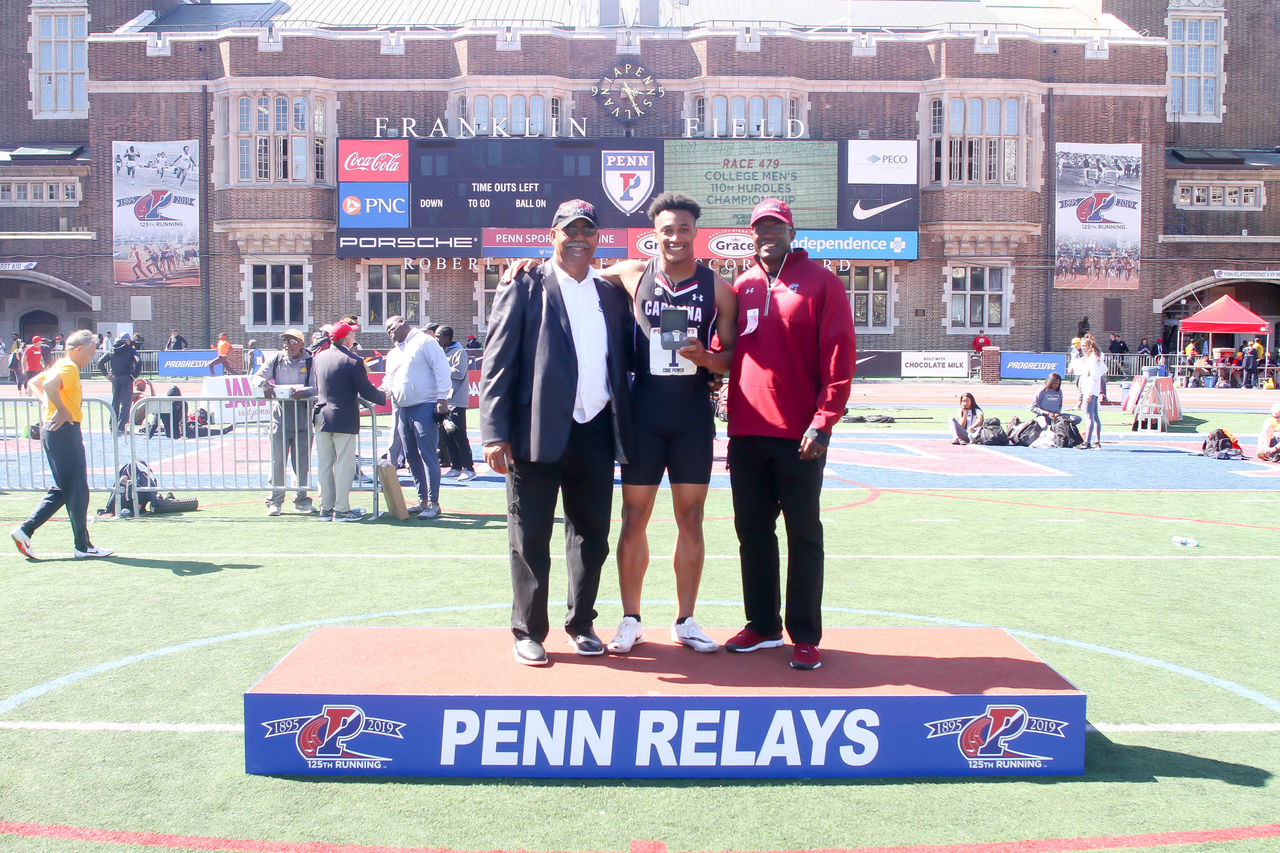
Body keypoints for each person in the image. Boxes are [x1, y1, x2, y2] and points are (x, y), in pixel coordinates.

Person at [506, 192, 738, 655]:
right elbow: (571, 267)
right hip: (642, 414)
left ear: (696, 233)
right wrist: (527, 263)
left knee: (690, 517)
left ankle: (685, 619)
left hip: (691, 414)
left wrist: (706, 357)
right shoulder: (630, 273)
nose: (675, 237)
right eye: (666, 230)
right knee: (634, 517)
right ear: (655, 235)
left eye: (683, 229)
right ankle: (630, 618)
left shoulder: (720, 289)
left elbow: (732, 359)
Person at [480, 199, 637, 667]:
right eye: (569, 230)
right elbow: (497, 362)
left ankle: (581, 622)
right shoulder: (525, 283)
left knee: (592, 536)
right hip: (534, 432)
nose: (578, 238)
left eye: (587, 231)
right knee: (529, 537)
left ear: (597, 238)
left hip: (595, 431)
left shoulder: (610, 292)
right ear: (552, 235)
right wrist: (493, 433)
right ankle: (529, 630)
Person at [719, 198, 856, 671]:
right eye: (760, 227)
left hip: (801, 434)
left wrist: (824, 420)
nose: (767, 234)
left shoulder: (822, 283)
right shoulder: (742, 285)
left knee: (803, 535)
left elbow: (839, 357)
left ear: (791, 232)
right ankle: (761, 624)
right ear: (750, 234)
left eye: (776, 226)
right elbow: (724, 349)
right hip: (747, 432)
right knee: (752, 532)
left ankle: (804, 633)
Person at [11, 330, 113, 559]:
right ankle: (82, 546)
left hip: (56, 431)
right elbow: (47, 386)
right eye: (90, 352)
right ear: (78, 349)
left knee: (65, 489)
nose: (92, 357)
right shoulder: (68, 367)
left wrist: (52, 407)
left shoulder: (61, 364)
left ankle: (26, 531)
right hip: (64, 431)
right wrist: (61, 410)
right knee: (77, 489)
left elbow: (34, 381)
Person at [381, 315, 452, 520]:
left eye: (391, 327)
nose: (389, 332)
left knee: (428, 454)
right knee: (411, 457)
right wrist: (376, 394)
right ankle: (422, 501)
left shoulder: (424, 341)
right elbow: (389, 381)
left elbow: (441, 368)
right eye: (386, 329)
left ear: (403, 321)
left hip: (425, 405)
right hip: (403, 409)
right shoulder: (394, 353)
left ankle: (434, 502)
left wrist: (442, 397)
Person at [314, 321, 386, 521]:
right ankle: (342, 509)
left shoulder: (319, 357)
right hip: (343, 416)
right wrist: (383, 396)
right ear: (346, 338)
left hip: (321, 414)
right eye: (352, 335)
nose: (354, 338)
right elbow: (366, 390)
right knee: (344, 464)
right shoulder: (353, 360)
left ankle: (326, 507)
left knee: (324, 464)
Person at [251, 329, 317, 516]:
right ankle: (275, 501)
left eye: (292, 341)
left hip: (303, 421)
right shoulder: (276, 359)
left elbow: (316, 385)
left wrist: (305, 392)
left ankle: (301, 500)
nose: (288, 345)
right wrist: (263, 385)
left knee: (302, 464)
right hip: (279, 421)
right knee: (277, 462)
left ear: (301, 344)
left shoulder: (311, 361)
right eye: (285, 341)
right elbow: (256, 377)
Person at [435, 326, 478, 483]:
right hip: (444, 399)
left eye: (439, 336)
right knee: (447, 435)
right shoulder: (442, 352)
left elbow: (459, 373)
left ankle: (468, 468)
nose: (436, 339)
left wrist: (441, 369)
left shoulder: (459, 352)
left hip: (456, 399)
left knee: (459, 434)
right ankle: (456, 466)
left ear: (447, 338)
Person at [98, 334, 141, 434]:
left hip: (115, 378)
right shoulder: (130, 350)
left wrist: (107, 375)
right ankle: (121, 427)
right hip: (127, 377)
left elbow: (100, 362)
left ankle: (112, 426)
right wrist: (134, 375)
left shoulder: (112, 349)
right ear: (127, 340)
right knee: (125, 404)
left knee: (115, 402)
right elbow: (138, 362)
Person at [1078, 334, 1105, 449]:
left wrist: (1089, 392)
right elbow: (1104, 369)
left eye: (1084, 346)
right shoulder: (1095, 356)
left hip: (1090, 390)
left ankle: (1087, 442)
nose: (1082, 348)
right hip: (1093, 389)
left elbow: (1094, 375)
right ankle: (1097, 441)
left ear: (1090, 345)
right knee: (1094, 416)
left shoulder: (1092, 358)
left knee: (1089, 416)